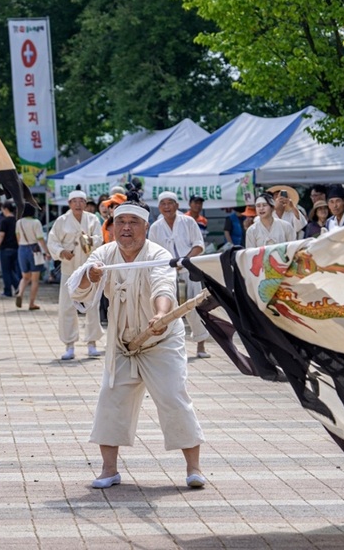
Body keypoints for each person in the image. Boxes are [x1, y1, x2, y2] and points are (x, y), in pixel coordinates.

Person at [67, 194, 206, 489]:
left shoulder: (157, 254)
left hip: (161, 340)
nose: (126, 228)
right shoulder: (104, 254)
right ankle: (109, 470)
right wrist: (90, 276)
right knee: (110, 398)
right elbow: (77, 291)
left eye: (133, 222)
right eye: (121, 222)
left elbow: (163, 286)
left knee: (173, 397)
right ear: (113, 226)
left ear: (145, 227)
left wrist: (160, 315)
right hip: (122, 343)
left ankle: (193, 468)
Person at [148, 191, 211, 359]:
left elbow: (199, 245)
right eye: (163, 204)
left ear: (176, 205)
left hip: (189, 270)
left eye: (170, 203)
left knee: (195, 307)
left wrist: (185, 260)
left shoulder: (188, 222)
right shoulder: (155, 227)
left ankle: (201, 345)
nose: (167, 207)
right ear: (159, 207)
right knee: (166, 310)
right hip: (167, 273)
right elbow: (151, 251)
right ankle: (168, 346)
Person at [47, 188, 104, 360]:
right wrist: (61, 252)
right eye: (75, 201)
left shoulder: (92, 219)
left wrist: (89, 240)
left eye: (81, 201)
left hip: (89, 269)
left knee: (92, 305)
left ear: (86, 204)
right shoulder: (61, 220)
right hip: (69, 269)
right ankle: (69, 344)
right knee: (67, 306)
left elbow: (99, 239)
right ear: (69, 203)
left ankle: (92, 343)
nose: (78, 204)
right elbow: (53, 241)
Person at [15, 204, 50, 311]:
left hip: (22, 249)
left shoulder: (19, 222)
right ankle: (31, 303)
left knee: (25, 276)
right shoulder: (36, 222)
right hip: (34, 250)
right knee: (35, 279)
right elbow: (40, 239)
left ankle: (20, 293)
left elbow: (18, 237)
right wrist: (47, 252)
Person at [0, 201, 21, 298]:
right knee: (12, 269)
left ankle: (9, 290)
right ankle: (18, 286)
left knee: (6, 271)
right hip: (16, 248)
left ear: (5, 209)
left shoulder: (4, 221)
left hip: (5, 248)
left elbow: (1, 235)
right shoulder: (17, 221)